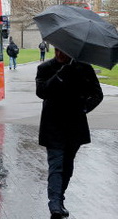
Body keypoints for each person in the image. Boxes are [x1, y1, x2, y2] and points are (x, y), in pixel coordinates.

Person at [36, 48, 103, 219]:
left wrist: (84, 108)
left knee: (67, 166)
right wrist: (59, 75)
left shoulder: (84, 68)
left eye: (64, 51)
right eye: (57, 50)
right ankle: (54, 205)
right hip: (53, 126)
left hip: (75, 126)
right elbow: (41, 92)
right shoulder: (45, 68)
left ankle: (59, 199)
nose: (60, 54)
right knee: (56, 165)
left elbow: (97, 94)